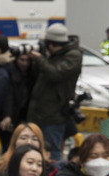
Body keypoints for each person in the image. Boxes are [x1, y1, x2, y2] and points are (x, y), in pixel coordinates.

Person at [27, 23, 81, 161]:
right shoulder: (53, 55)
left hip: (54, 115)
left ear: (51, 44)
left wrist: (40, 59)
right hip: (39, 112)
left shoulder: (73, 56)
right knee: (33, 149)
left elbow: (55, 73)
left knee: (52, 151)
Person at [0, 49, 37, 151]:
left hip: (25, 115)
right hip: (12, 116)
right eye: (22, 60)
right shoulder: (10, 74)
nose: (25, 63)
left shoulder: (32, 75)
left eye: (27, 60)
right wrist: (8, 115)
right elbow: (8, 96)